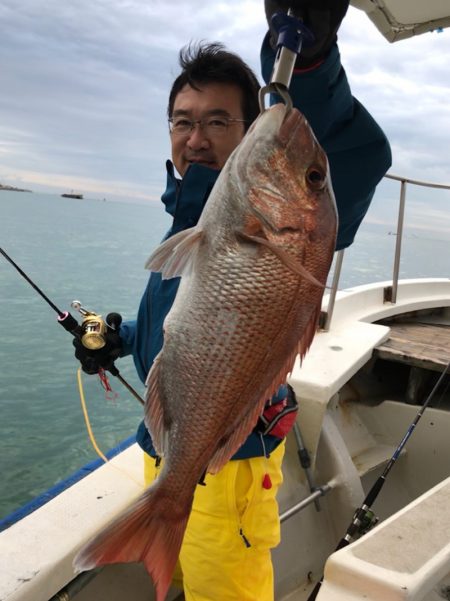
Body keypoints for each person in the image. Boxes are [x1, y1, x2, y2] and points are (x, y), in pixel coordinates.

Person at [74, 2, 392, 599]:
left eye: (218, 122)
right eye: (182, 121)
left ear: (249, 129)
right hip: (171, 454)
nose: (195, 138)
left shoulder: (273, 220)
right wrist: (119, 340)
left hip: (232, 470)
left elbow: (354, 152)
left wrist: (312, 60)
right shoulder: (196, 212)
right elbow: (190, 326)